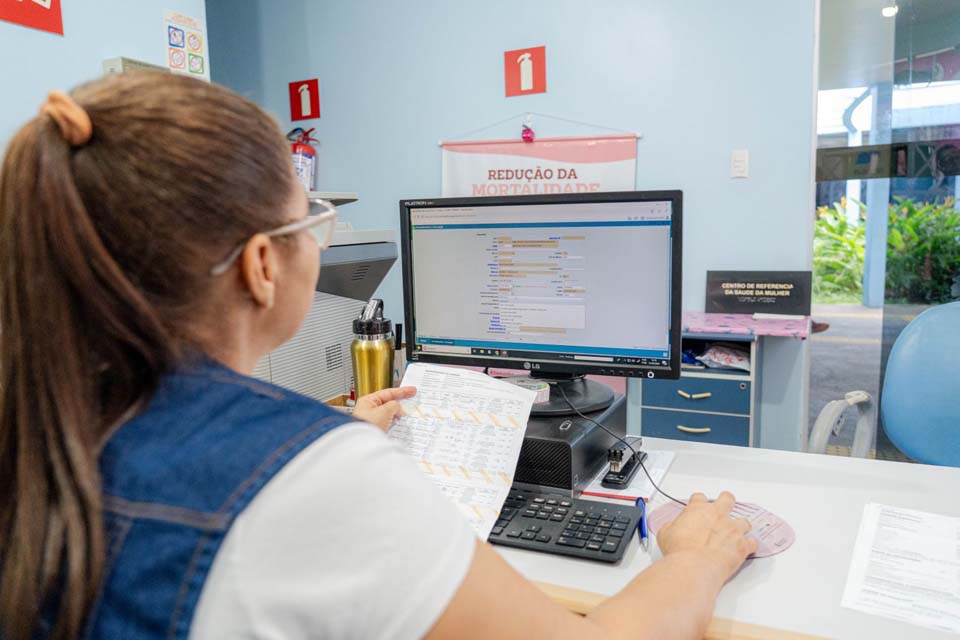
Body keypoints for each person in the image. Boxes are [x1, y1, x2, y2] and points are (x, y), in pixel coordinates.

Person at [0, 73, 757, 640]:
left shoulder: (36, 415)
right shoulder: (316, 477)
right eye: (313, 221)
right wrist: (697, 558)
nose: (321, 240)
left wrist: (330, 442)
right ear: (262, 266)